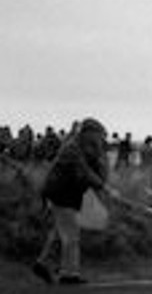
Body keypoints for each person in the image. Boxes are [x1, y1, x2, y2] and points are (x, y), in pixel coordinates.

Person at [34, 117, 112, 285]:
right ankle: (69, 274)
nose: (101, 139)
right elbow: (84, 172)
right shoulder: (72, 149)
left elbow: (101, 175)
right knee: (71, 236)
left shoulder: (87, 150)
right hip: (61, 194)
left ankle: (43, 263)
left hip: (70, 195)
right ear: (88, 133)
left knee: (59, 233)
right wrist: (103, 187)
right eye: (99, 135)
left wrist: (101, 156)